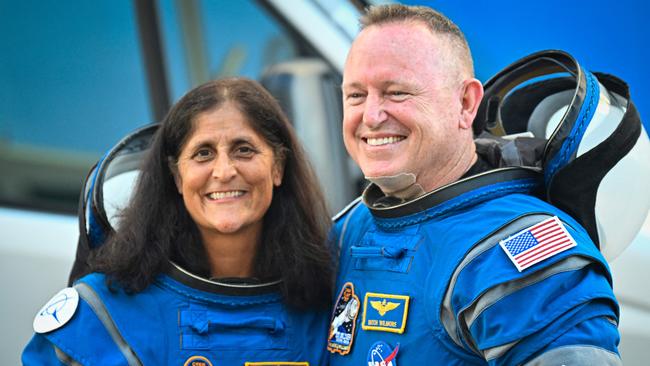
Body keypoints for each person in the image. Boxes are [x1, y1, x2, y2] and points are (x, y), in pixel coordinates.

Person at [327, 4, 623, 365]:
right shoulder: (349, 228)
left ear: (466, 103)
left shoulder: (522, 254)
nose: (371, 116)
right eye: (356, 95)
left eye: (397, 93)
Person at [23, 78, 333, 365]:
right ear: (177, 177)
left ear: (278, 167)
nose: (224, 171)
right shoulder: (102, 316)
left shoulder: (324, 307)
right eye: (203, 153)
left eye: (244, 150)